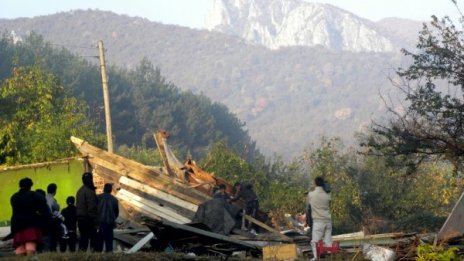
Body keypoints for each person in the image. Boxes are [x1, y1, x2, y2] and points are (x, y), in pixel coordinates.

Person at [10, 178, 51, 256]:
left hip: (16, 225)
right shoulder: (33, 195)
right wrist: (39, 211)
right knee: (30, 244)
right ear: (30, 185)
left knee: (19, 247)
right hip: (30, 224)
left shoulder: (13, 197)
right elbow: (43, 202)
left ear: (20, 186)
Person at [306, 176, 332, 261]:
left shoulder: (311, 194)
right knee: (328, 242)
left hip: (318, 221)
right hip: (328, 221)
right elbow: (329, 204)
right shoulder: (328, 195)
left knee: (315, 242)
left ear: (315, 183)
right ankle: (330, 257)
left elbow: (308, 206)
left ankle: (316, 258)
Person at [76, 172, 98, 252]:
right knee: (93, 239)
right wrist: (95, 221)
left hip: (80, 220)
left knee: (83, 239)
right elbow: (92, 208)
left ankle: (81, 255)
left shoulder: (79, 191)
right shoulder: (90, 192)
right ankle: (92, 256)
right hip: (88, 219)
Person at [96, 183, 119, 252]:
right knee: (109, 244)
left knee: (99, 243)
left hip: (100, 224)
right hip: (109, 224)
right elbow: (116, 213)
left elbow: (93, 210)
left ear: (104, 189)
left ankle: (98, 257)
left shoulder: (98, 197)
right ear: (111, 190)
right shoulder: (114, 200)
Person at [46, 183, 67, 251]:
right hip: (52, 222)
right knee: (53, 241)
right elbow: (54, 212)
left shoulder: (44, 198)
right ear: (55, 191)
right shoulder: (52, 200)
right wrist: (62, 217)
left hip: (46, 222)